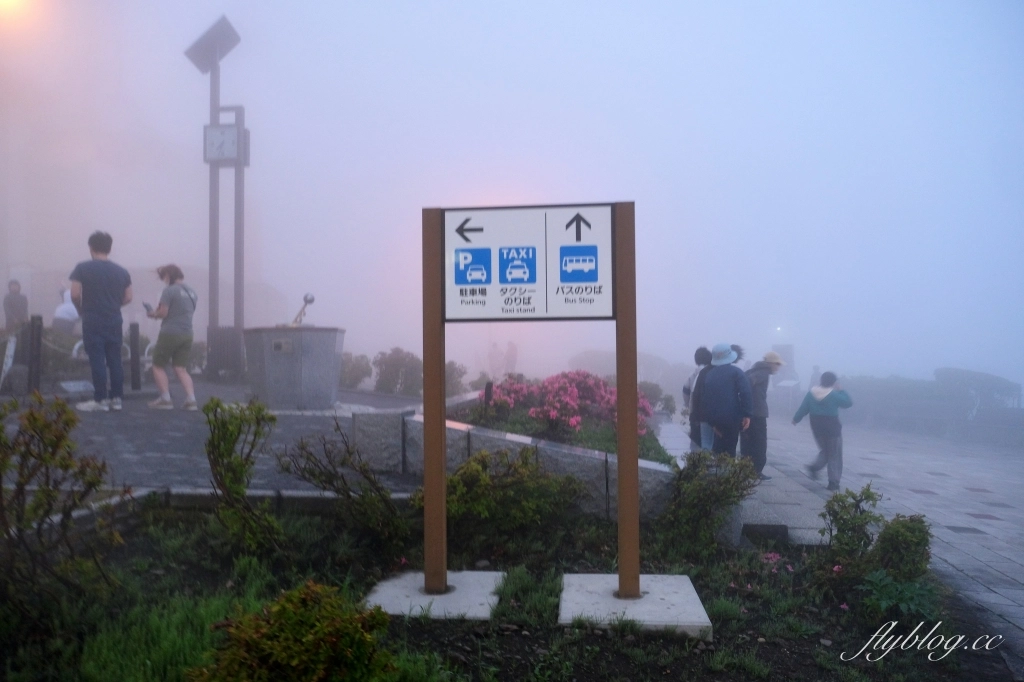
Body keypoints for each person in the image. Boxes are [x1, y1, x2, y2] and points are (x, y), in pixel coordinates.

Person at [69, 231, 132, 412]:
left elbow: (74, 294)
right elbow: (129, 297)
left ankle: (100, 399)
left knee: (97, 358)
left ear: (91, 247)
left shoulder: (82, 268)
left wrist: (81, 309)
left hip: (93, 318)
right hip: (114, 319)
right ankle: (117, 399)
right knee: (115, 359)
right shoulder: (122, 271)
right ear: (109, 248)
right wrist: (113, 304)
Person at [146, 264, 199, 410]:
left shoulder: (169, 291)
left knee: (157, 365)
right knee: (180, 368)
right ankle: (191, 400)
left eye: (163, 277)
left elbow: (163, 313)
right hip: (187, 334)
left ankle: (165, 399)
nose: (164, 281)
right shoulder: (192, 292)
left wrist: (152, 314)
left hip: (170, 333)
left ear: (168, 275)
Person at [793, 371, 853, 492]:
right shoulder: (834, 394)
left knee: (825, 450)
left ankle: (814, 467)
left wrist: (796, 419)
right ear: (834, 382)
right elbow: (848, 403)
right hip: (832, 427)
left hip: (816, 426)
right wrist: (841, 390)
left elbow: (803, 408)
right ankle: (833, 482)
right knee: (834, 454)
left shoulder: (811, 393)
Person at [697, 342, 753, 457]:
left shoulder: (709, 375)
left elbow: (705, 399)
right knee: (729, 451)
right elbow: (745, 393)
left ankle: (715, 467)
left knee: (717, 450)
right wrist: (747, 414)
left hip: (715, 420)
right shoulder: (737, 372)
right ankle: (726, 468)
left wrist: (712, 423)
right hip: (732, 419)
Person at [740, 351, 785, 480]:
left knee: (747, 442)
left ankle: (746, 469)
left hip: (748, 411)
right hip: (757, 413)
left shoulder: (753, 370)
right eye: (777, 364)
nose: (778, 367)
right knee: (759, 443)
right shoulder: (763, 372)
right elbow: (748, 383)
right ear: (771, 363)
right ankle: (756, 470)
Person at [682, 346, 713, 451]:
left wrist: (688, 405)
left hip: (694, 414)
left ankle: (693, 460)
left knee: (694, 442)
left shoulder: (692, 375)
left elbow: (685, 391)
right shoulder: (711, 372)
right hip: (707, 415)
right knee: (708, 444)